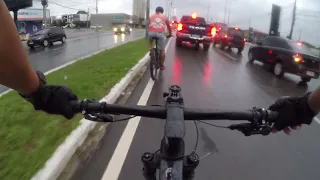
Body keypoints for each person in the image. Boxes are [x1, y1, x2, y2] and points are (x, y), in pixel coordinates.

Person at [0, 1, 317, 135]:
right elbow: (169, 31)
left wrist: (39, 93)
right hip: (160, 34)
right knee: (161, 50)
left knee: (155, 43)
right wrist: (306, 107)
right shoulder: (166, 20)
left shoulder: (160, 19)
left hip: (153, 35)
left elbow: (168, 32)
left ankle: (155, 55)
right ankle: (160, 60)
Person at [147, 6, 172, 70]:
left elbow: (149, 24)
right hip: (160, 34)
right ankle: (161, 65)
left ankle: (151, 50)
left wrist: (149, 31)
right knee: (162, 50)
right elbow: (169, 26)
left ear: (156, 11)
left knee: (150, 40)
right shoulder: (164, 16)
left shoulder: (151, 16)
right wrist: (170, 34)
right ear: (162, 12)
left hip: (151, 33)